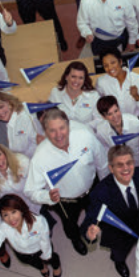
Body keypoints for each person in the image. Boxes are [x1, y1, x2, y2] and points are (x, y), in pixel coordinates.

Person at [24, 108, 107, 256]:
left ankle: (91, 231)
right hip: (65, 201)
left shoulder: (85, 135)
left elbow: (101, 161)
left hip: (92, 188)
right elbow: (30, 191)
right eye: (52, 131)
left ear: (69, 125)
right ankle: (75, 239)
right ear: (45, 132)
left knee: (95, 214)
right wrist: (47, 197)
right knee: (70, 225)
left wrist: (105, 185)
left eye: (62, 128)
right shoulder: (40, 157)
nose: (58, 135)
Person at [81, 145, 139, 277]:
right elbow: (88, 223)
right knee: (119, 253)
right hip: (119, 233)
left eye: (129, 163)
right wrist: (89, 232)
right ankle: (119, 263)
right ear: (111, 168)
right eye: (120, 165)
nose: (126, 168)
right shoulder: (100, 192)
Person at [0, 194, 62, 277]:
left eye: (13, 212)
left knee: (53, 259)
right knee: (36, 264)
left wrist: (47, 255)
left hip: (41, 248)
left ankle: (56, 267)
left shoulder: (38, 221)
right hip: (23, 254)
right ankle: (43, 268)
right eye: (5, 215)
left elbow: (45, 240)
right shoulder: (4, 227)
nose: (11, 219)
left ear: (21, 210)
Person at [0, 141, 38, 212]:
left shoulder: (21, 160)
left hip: (38, 203)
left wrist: (26, 175)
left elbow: (37, 178)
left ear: (4, 152)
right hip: (18, 212)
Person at [94, 96, 139, 167]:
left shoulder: (135, 122)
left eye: (116, 111)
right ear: (103, 117)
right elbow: (106, 154)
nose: (115, 116)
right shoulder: (101, 131)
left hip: (138, 165)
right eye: (109, 114)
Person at [0, 91, 39, 158]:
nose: (0, 113)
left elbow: (37, 145)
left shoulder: (26, 118)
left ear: (8, 102)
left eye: (1, 107)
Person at [95, 48, 139, 117]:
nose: (110, 68)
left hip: (136, 120)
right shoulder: (101, 82)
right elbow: (99, 107)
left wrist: (137, 97)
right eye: (106, 65)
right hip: (114, 121)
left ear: (120, 62)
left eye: (113, 63)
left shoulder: (137, 79)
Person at [49, 61, 101, 129]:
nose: (76, 81)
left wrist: (80, 128)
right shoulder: (55, 92)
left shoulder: (93, 96)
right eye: (73, 76)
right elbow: (49, 117)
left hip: (86, 134)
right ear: (66, 77)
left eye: (81, 78)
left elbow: (99, 120)